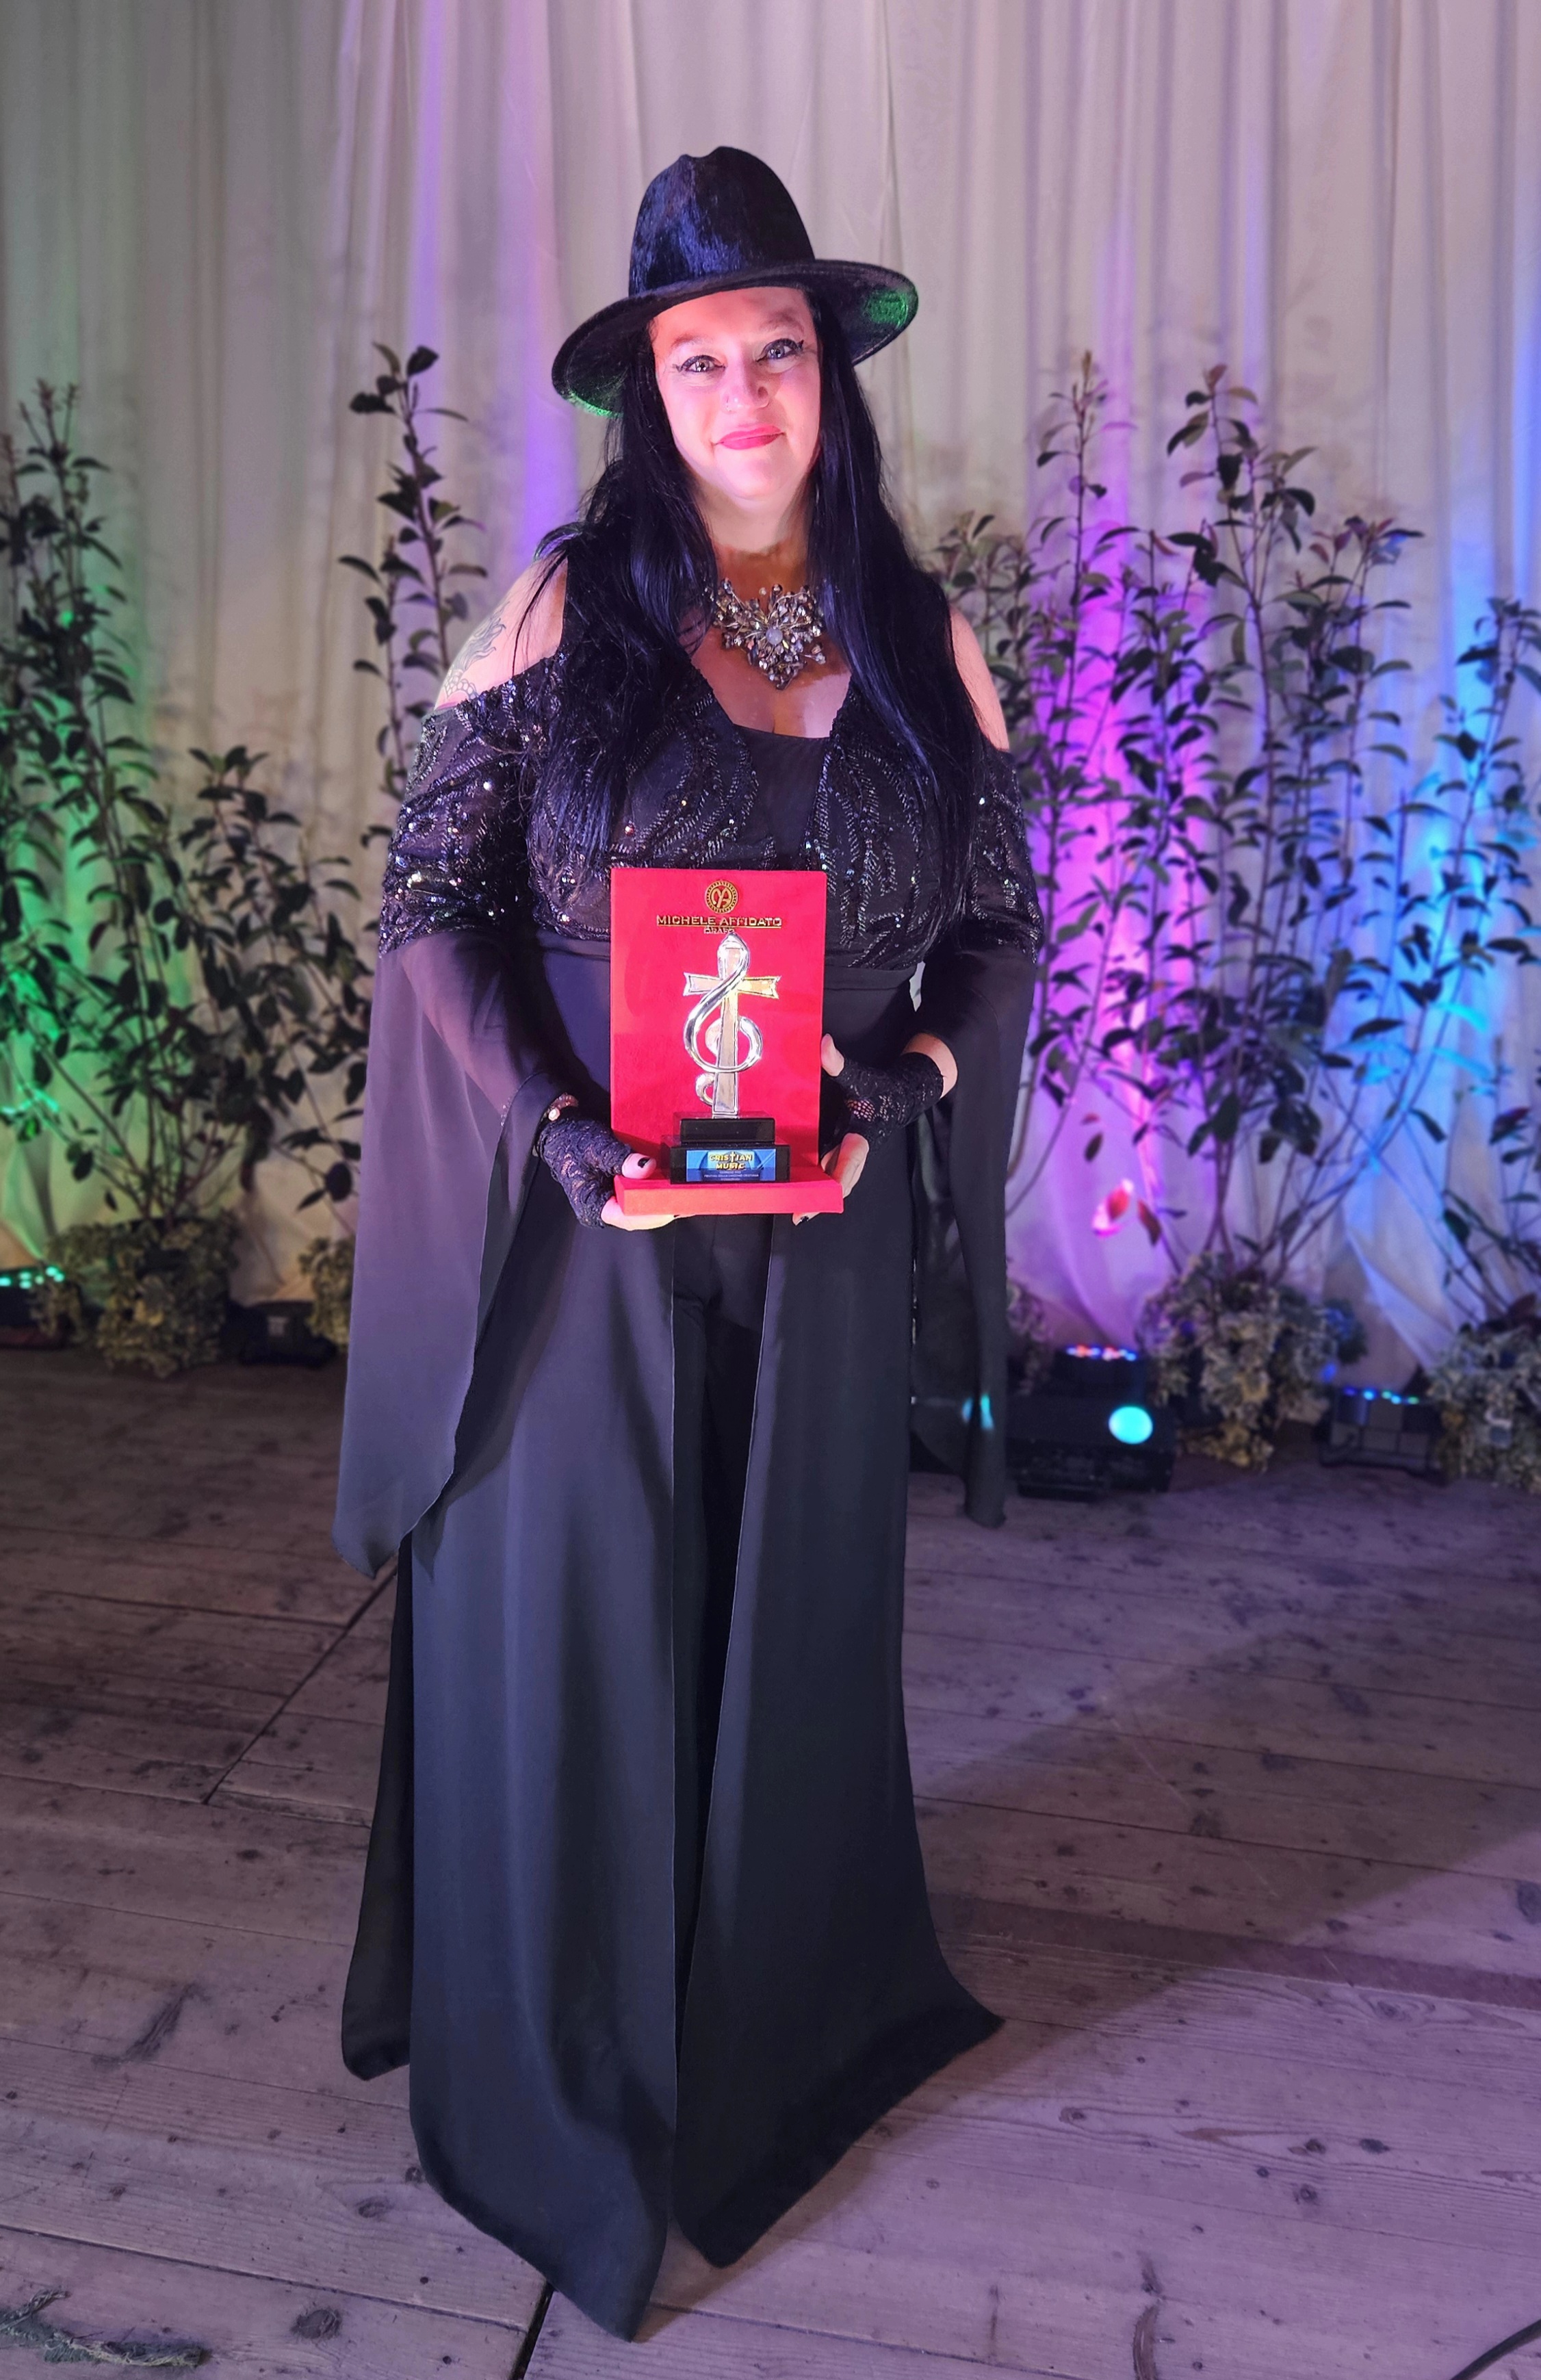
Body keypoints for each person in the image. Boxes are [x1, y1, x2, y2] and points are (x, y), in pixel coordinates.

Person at [333, 146, 1043, 2342]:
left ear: (830, 376)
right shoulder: (562, 616)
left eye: (777, 350)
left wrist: (900, 1086)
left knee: (776, 1641)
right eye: (696, 358)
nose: (743, 394)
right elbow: (430, 911)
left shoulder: (920, 638)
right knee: (584, 1644)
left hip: (814, 1230)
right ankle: (564, 2069)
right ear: (648, 394)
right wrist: (555, 1131)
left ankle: (767, 2024)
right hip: (587, 1234)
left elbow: (997, 930)